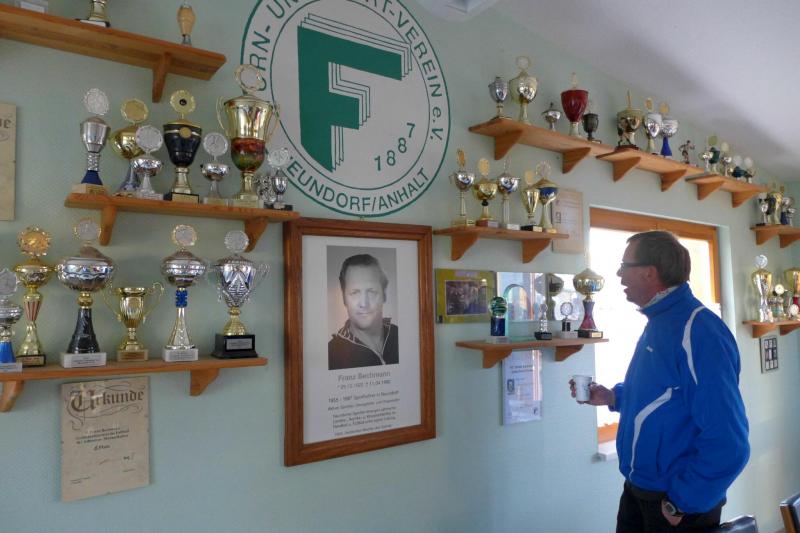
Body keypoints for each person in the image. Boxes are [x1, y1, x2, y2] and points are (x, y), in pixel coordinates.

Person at [569, 231, 749, 532]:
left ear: (649, 272)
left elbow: (729, 440)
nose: (619, 274)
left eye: (625, 265)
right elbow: (663, 395)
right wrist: (613, 397)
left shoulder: (698, 330)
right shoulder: (659, 322)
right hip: (639, 489)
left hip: (675, 503)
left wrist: (682, 501)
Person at [328, 253, 399, 370]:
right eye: (355, 292)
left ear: (384, 294)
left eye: (371, 291)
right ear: (344, 298)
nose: (364, 304)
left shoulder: (403, 337)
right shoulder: (331, 355)